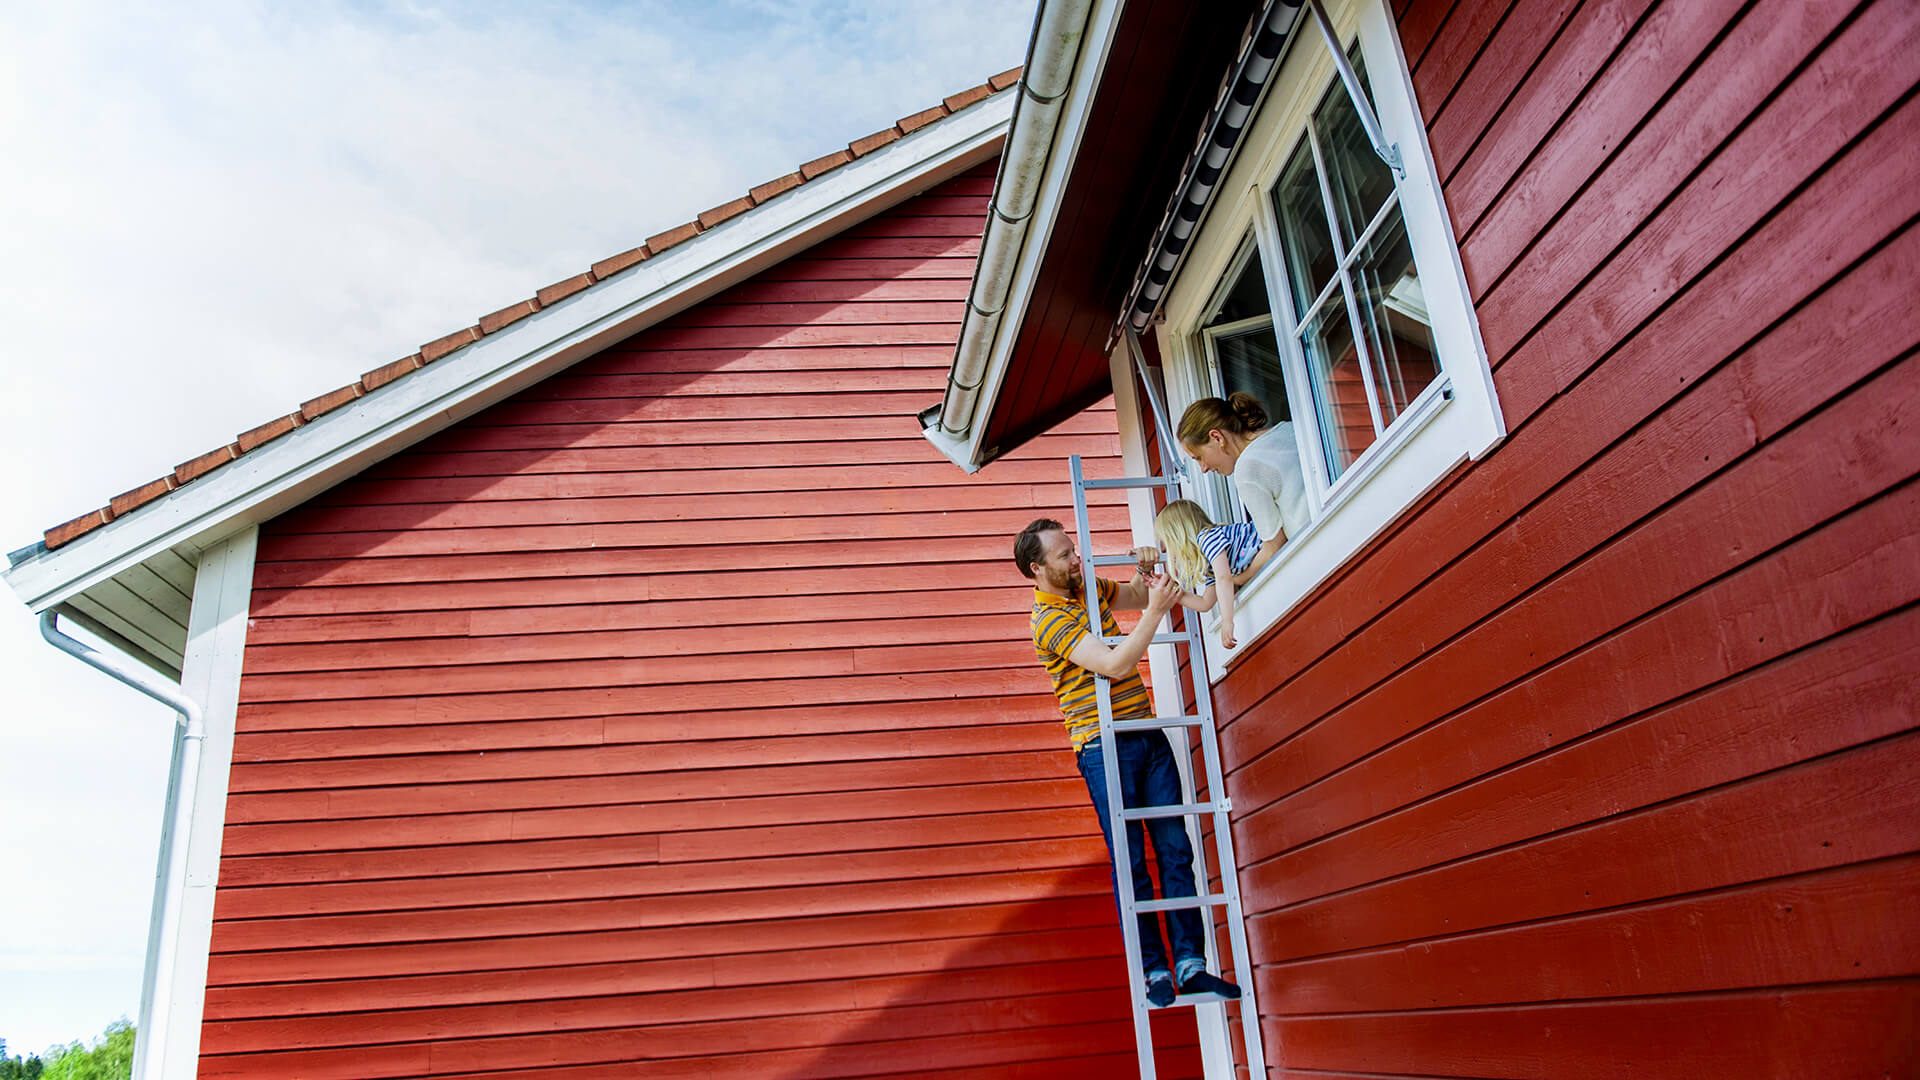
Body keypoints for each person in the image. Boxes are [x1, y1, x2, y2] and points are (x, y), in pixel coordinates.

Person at [1013, 517, 1242, 1008]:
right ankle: (1154, 970)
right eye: (1064, 556)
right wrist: (1156, 613)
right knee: (1132, 860)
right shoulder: (1048, 620)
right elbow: (1116, 665)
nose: (1076, 560)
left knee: (1176, 847)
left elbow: (1138, 597)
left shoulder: (1085, 587)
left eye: (1073, 551)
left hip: (1145, 731)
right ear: (1037, 569)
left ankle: (1191, 964)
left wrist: (1148, 572)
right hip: (1103, 744)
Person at [1174, 392, 1310, 589]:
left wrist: (1234, 580)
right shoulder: (1287, 429)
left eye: (1199, 457)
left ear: (1217, 437)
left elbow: (1274, 545)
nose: (1203, 468)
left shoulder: (1247, 469)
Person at [1148, 498, 1260, 649]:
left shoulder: (1207, 538)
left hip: (1265, 540)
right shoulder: (1209, 564)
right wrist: (1173, 593)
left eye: (1167, 543)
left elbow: (1224, 578)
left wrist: (1227, 620)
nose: (1167, 550)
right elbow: (1205, 603)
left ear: (1179, 536)